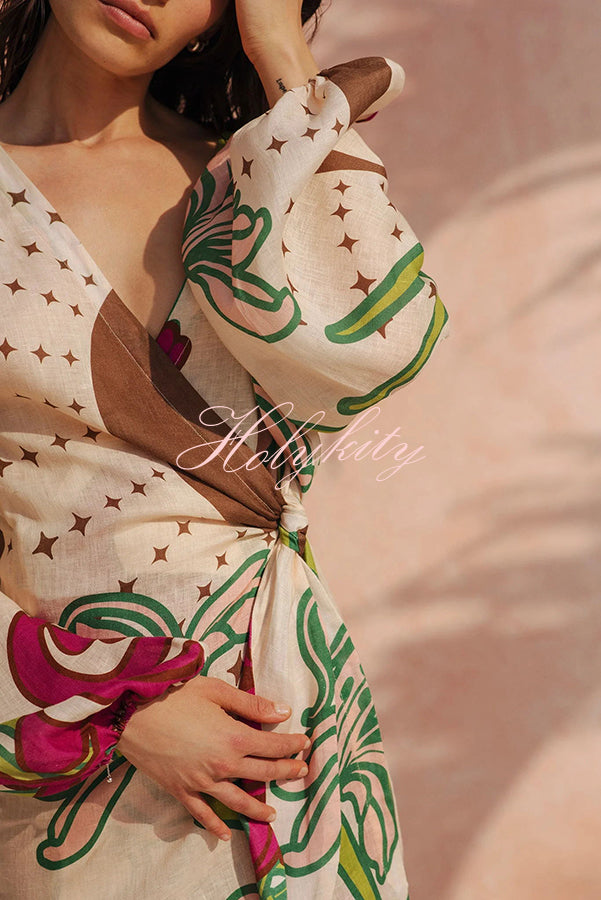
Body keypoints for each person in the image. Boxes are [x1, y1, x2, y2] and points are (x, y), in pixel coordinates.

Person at [0, 0, 449, 897]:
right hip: (70, 758)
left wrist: (279, 49)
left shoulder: (255, 176)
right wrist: (112, 708)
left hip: (286, 718)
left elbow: (381, 337)